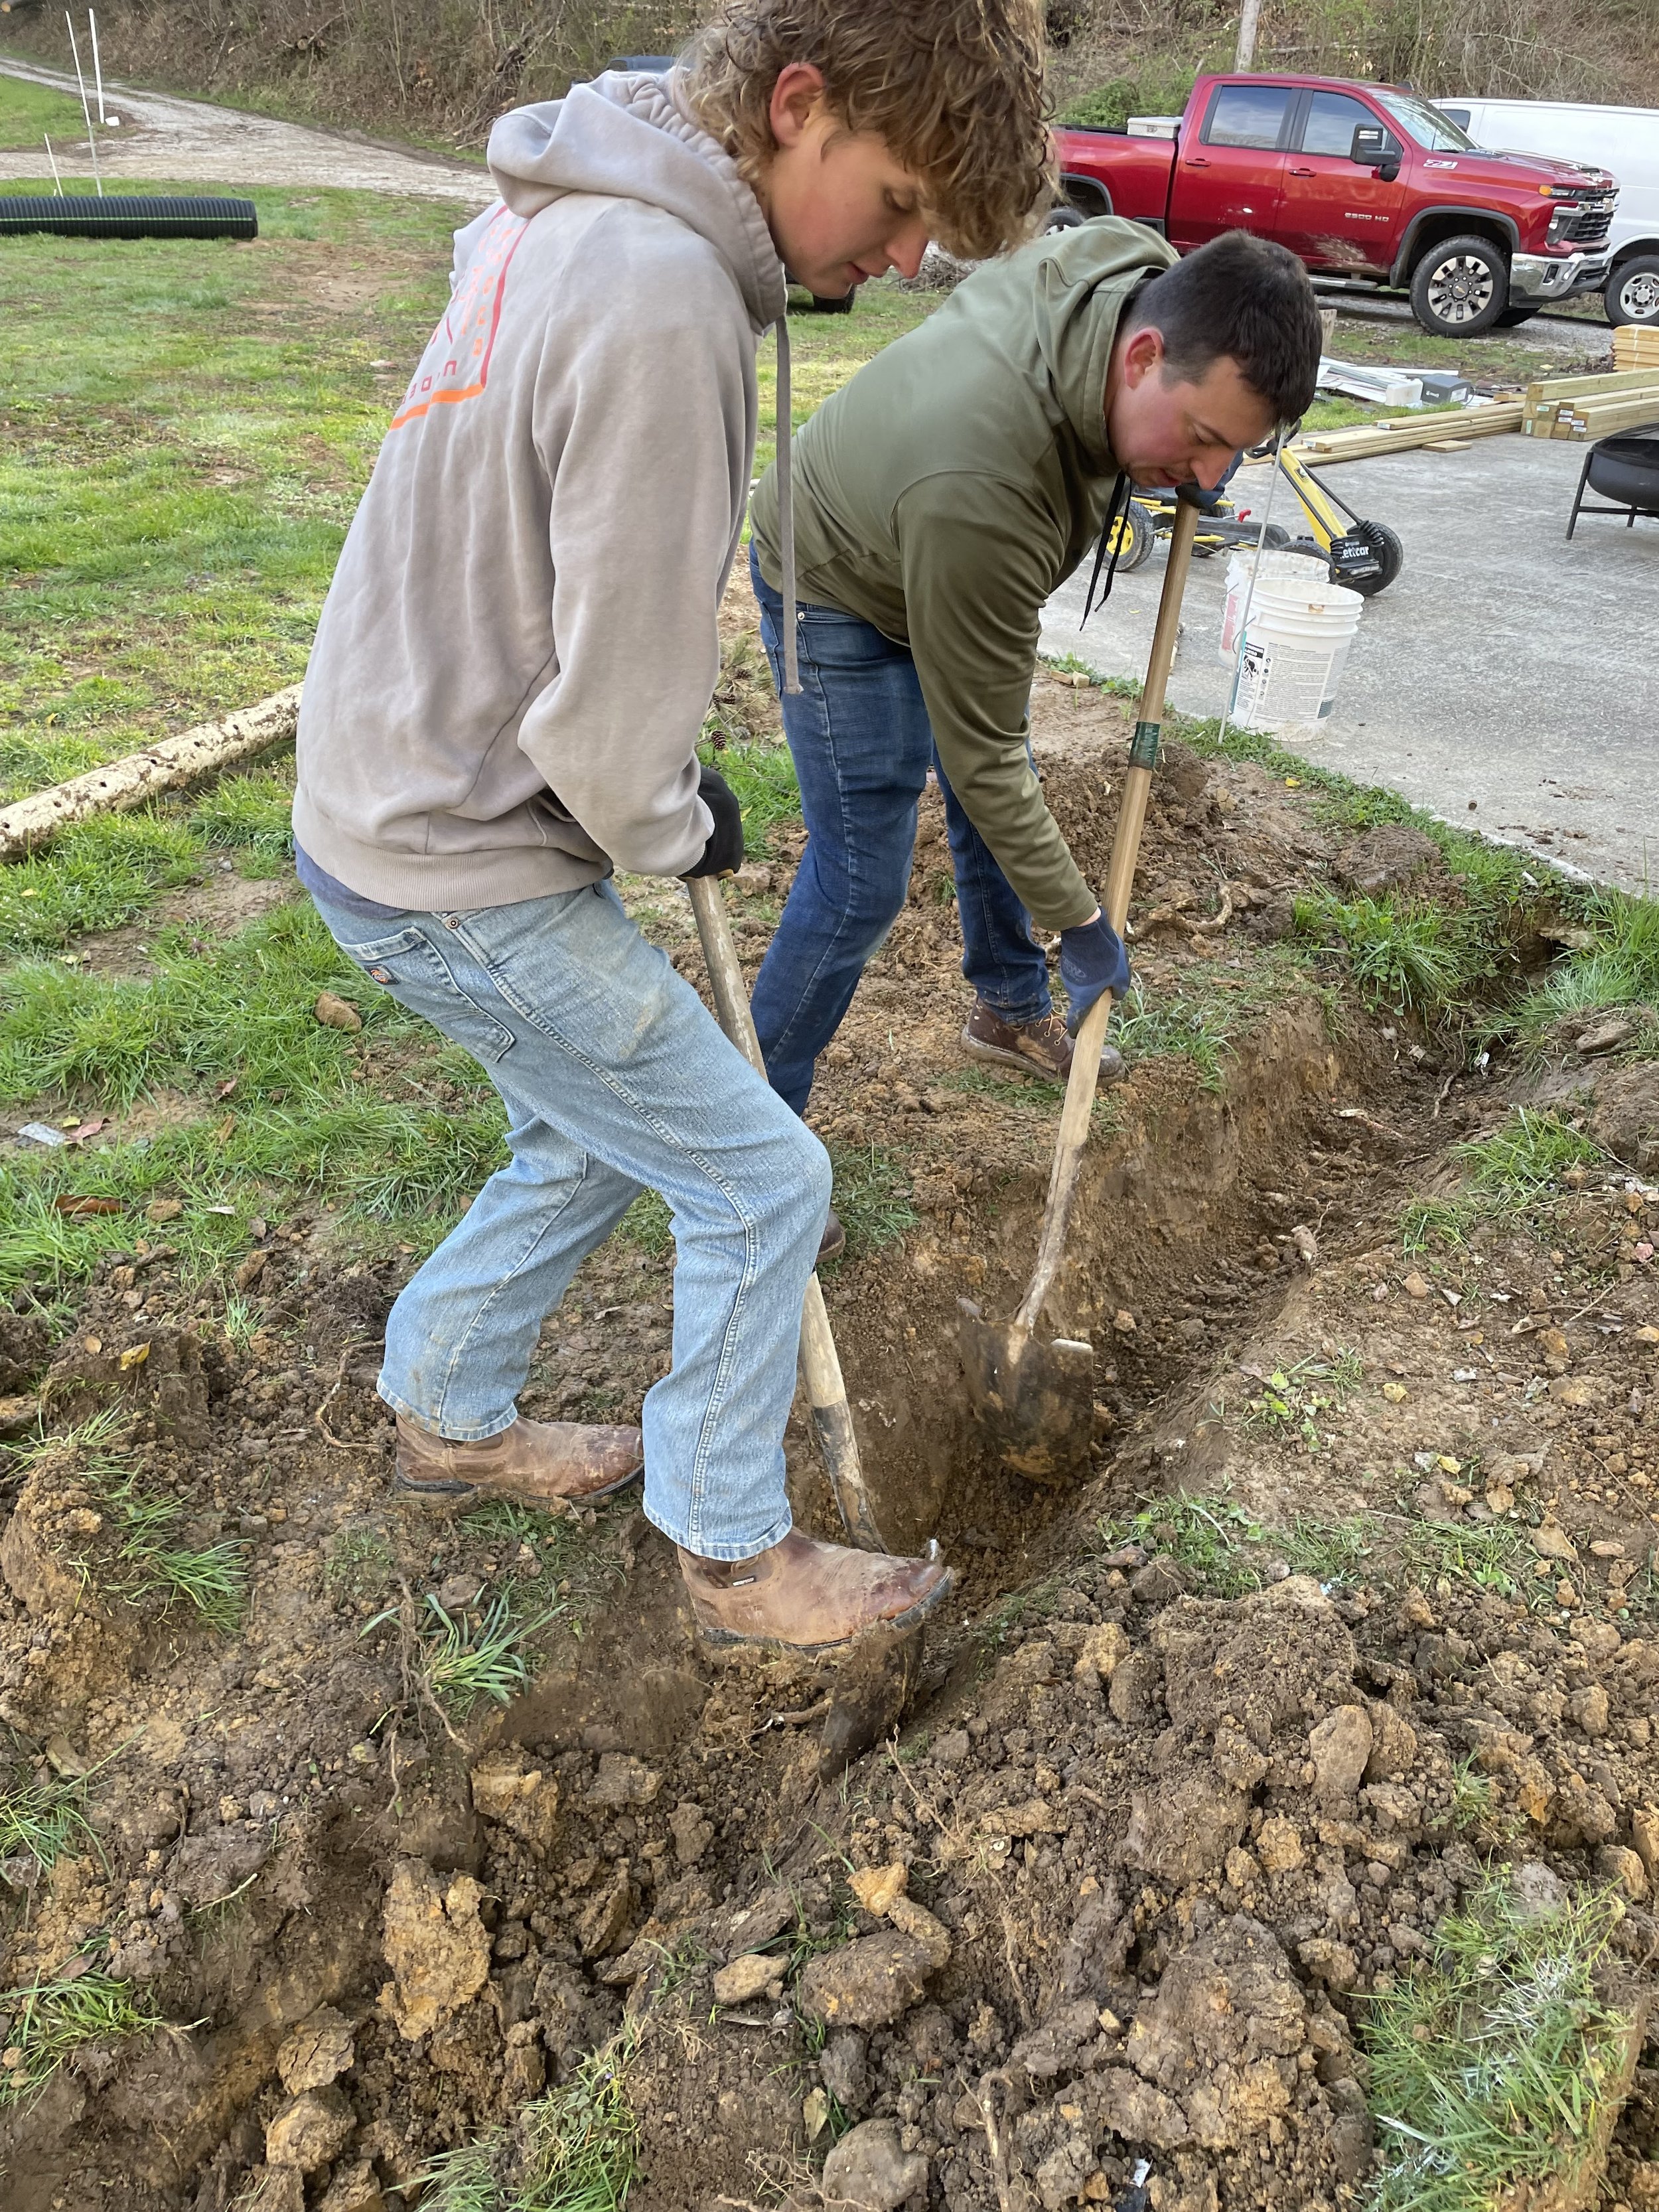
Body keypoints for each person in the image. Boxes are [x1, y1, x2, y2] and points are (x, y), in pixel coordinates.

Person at [287, 2, 1051, 1653]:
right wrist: (667, 815)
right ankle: (729, 1548)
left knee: (592, 1123)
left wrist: (637, 796)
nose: (910, 256)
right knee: (762, 1174)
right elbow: (604, 733)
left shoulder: (565, 206)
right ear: (795, 109)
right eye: (902, 202)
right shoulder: (661, 299)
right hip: (454, 847)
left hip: (386, 783)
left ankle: (446, 1406)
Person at [746, 225, 1323, 1174]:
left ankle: (1007, 1011)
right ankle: (749, 1149)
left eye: (1233, 453)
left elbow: (988, 750)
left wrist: (1187, 456)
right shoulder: (985, 482)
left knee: (994, 779)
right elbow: (981, 759)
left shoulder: (1131, 271)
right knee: (863, 872)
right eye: (1208, 440)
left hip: (929, 533)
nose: (1211, 477)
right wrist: (1085, 924)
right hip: (838, 573)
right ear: (1141, 358)